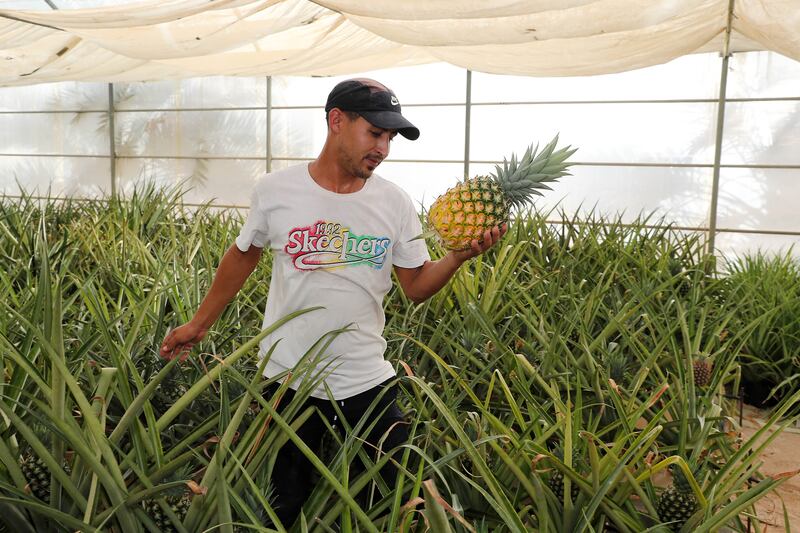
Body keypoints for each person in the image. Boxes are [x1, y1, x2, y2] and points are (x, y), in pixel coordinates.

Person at [159, 78, 507, 526]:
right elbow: (243, 255)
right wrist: (199, 324)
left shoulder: (395, 203)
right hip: (287, 378)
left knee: (394, 500)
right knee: (279, 504)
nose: (383, 148)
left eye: (390, 139)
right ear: (336, 121)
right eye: (375, 133)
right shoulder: (276, 190)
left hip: (365, 376)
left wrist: (458, 256)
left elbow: (417, 287)